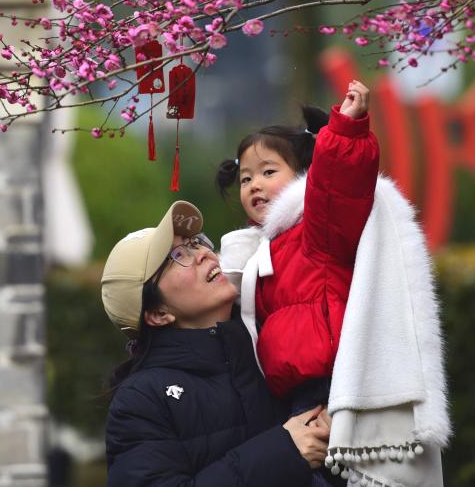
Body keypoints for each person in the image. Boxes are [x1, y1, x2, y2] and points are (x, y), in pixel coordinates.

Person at [216, 82, 450, 486]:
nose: (254, 185)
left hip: (330, 386)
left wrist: (344, 132)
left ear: (304, 176)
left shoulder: (315, 230)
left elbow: (337, 189)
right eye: (246, 178)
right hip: (294, 395)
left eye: (268, 172)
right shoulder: (260, 251)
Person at [100, 200, 330, 487]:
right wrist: (285, 451)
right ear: (158, 314)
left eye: (195, 242)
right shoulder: (141, 400)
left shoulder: (273, 341)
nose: (203, 254)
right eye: (177, 255)